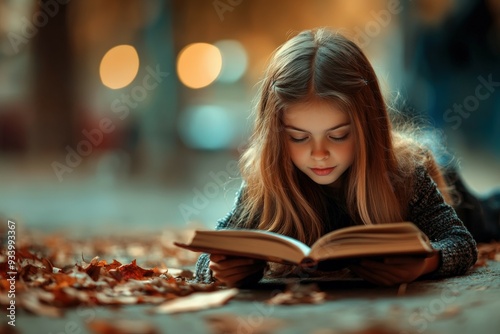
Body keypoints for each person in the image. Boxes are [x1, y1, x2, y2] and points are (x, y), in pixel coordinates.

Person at [193, 28, 489, 288]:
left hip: (447, 185)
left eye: (338, 135)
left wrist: (426, 263)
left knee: (486, 217)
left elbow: (461, 242)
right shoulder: (266, 182)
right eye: (298, 137)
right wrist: (219, 269)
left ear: (367, 129)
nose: (319, 153)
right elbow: (211, 253)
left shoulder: (406, 175)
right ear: (276, 138)